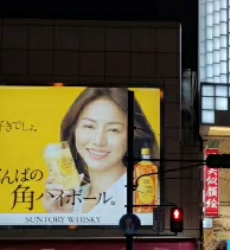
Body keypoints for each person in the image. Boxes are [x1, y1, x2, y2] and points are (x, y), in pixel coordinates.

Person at [43, 87, 159, 223]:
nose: (99, 141)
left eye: (113, 130)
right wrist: (60, 216)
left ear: (133, 136)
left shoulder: (145, 193)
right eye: (89, 126)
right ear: (73, 130)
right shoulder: (72, 198)